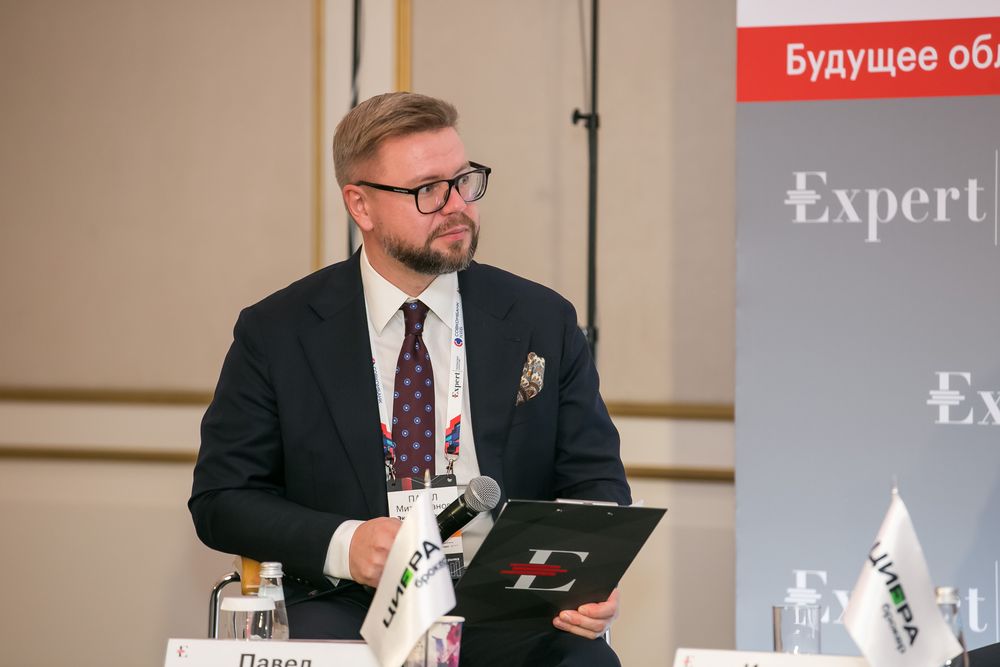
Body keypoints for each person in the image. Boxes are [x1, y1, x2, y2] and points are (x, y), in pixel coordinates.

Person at [189, 91, 631, 666]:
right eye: (428, 190)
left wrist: (588, 571)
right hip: (347, 605)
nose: (457, 206)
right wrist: (348, 545)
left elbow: (595, 478)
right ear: (361, 205)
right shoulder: (278, 332)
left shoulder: (540, 319)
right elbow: (222, 500)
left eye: (464, 181)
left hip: (507, 606)